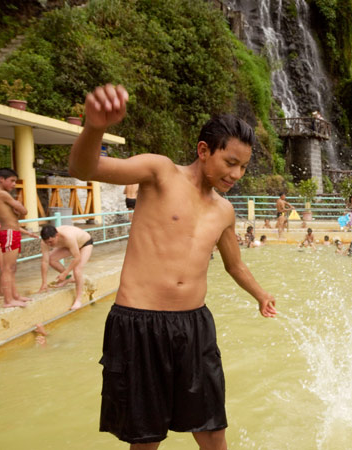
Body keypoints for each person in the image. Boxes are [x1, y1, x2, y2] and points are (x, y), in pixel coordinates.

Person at [69, 84, 276, 449]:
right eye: (230, 163)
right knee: (145, 437)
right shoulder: (160, 173)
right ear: (203, 150)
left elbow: (235, 265)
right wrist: (95, 127)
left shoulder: (224, 211)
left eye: (243, 166)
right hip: (138, 323)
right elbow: (85, 166)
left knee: (212, 429)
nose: (237, 174)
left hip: (194, 326)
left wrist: (260, 294)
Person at [0, 167, 38, 308]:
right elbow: (23, 210)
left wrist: (15, 211)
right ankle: (8, 300)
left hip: (11, 232)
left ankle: (14, 295)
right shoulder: (1, 194)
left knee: (12, 268)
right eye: (12, 181)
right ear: (1, 179)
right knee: (7, 268)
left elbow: (15, 212)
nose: (14, 184)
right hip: (9, 232)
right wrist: (18, 209)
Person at [38, 225, 94, 310]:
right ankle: (69, 278)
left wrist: (65, 272)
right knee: (51, 259)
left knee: (77, 269)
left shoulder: (68, 237)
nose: (49, 244)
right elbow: (44, 261)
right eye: (47, 242)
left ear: (57, 235)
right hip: (70, 245)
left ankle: (78, 299)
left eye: (51, 242)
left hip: (85, 244)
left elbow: (77, 257)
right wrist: (44, 282)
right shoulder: (44, 242)